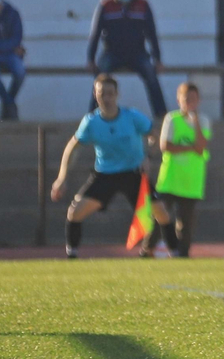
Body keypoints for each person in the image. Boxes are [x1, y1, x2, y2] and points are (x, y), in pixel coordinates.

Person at [51, 74, 172, 260]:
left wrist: (148, 157)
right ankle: (72, 255)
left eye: (110, 94)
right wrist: (61, 177)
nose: (106, 98)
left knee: (161, 212)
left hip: (133, 173)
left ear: (117, 94)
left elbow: (153, 135)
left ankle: (177, 254)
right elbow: (72, 147)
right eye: (102, 94)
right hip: (105, 174)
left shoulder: (131, 116)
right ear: (95, 95)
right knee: (74, 212)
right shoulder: (91, 121)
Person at [86, 0, 166, 119]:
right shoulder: (106, 5)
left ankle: (161, 116)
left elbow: (152, 34)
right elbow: (95, 34)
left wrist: (158, 59)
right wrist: (90, 59)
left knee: (151, 74)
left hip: (138, 53)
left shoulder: (143, 5)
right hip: (112, 53)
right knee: (101, 78)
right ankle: (93, 117)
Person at [156, 82, 210, 258]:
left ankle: (182, 254)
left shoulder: (203, 121)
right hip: (170, 179)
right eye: (186, 99)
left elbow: (201, 147)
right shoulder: (172, 119)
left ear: (199, 101)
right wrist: (189, 148)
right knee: (160, 216)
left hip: (191, 181)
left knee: (186, 223)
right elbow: (166, 146)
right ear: (179, 100)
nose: (190, 103)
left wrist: (195, 124)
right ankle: (147, 249)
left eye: (193, 99)